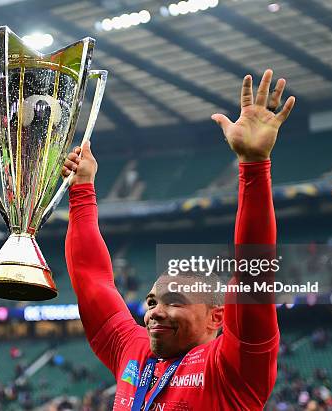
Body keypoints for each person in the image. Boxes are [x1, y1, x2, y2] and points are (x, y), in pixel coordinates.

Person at [60, 69, 296, 410]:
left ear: (217, 316)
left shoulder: (233, 368)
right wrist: (82, 189)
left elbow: (253, 274)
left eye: (175, 301)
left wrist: (254, 165)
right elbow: (92, 281)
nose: (155, 312)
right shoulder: (133, 351)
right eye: (153, 301)